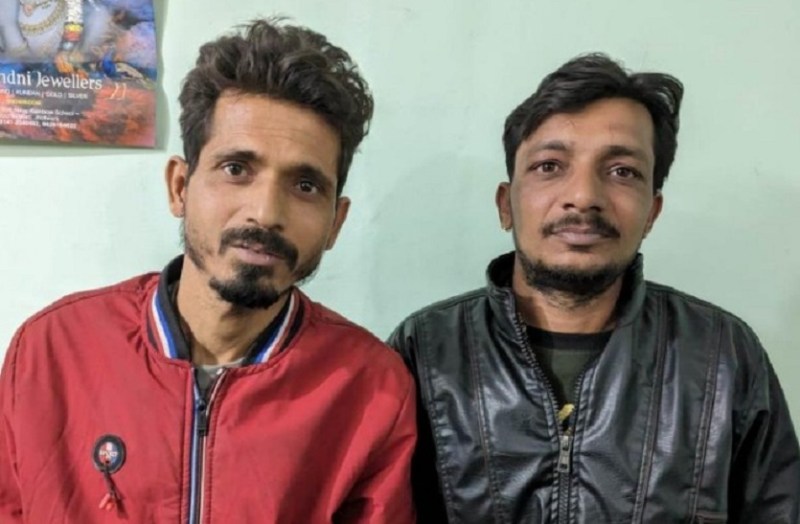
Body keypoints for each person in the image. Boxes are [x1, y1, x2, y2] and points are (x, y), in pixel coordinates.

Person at [0, 18, 416, 523]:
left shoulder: (371, 388)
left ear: (336, 222)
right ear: (180, 187)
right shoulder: (51, 350)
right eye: (236, 169)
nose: (265, 212)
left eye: (305, 186)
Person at [389, 53, 800, 523]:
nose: (583, 197)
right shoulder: (425, 350)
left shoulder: (722, 355)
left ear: (652, 212)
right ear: (505, 205)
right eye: (549, 166)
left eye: (622, 171)